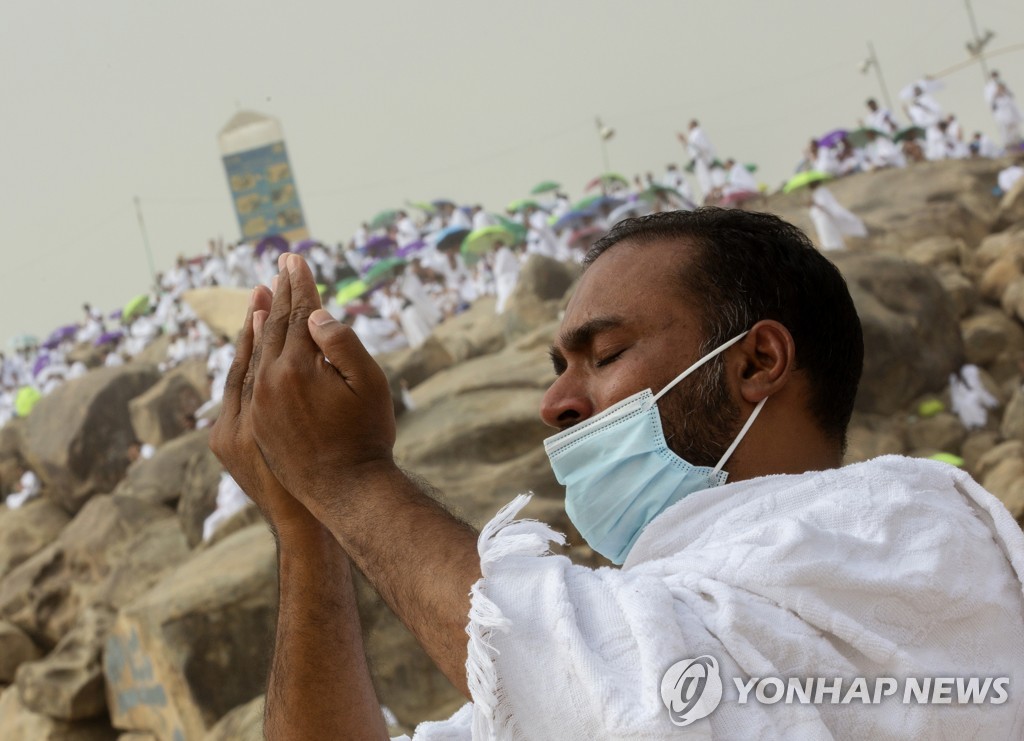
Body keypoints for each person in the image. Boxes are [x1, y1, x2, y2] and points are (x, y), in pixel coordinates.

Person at [210, 210, 1024, 739]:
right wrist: (307, 524)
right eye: (559, 365)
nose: (557, 402)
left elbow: (631, 701)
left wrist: (351, 476)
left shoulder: (910, 525)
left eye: (602, 356)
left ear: (757, 362)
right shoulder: (664, 606)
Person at [807, 180, 867, 250]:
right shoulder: (816, 193)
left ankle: (833, 247)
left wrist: (814, 203)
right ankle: (828, 246)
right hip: (820, 217)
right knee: (824, 232)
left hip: (824, 216)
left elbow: (824, 205)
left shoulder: (821, 191)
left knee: (828, 232)